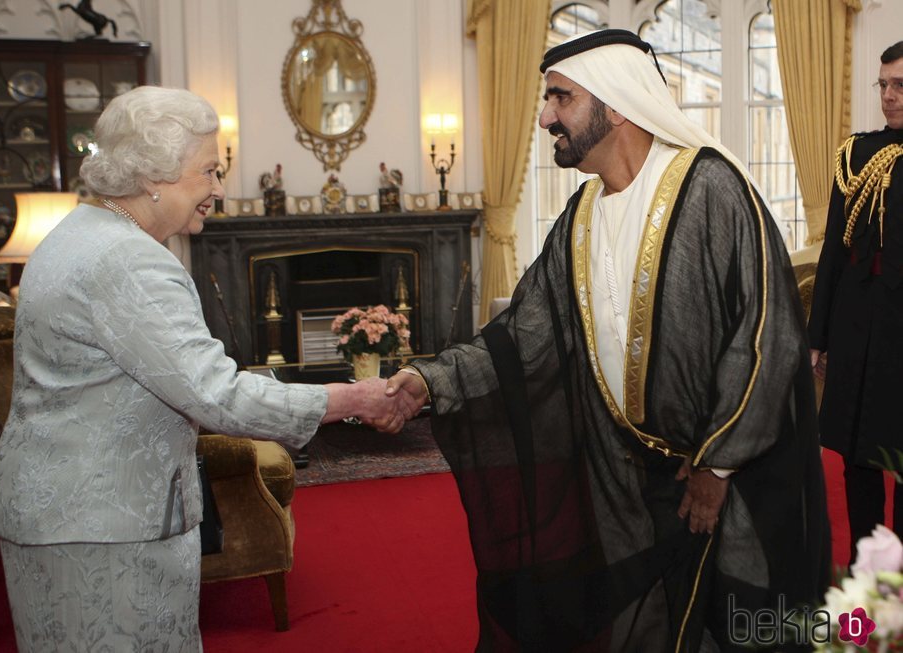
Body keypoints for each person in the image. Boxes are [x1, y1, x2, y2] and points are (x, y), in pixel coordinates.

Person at [387, 30, 830, 652]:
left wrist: (717, 463)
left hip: (729, 481)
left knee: (739, 626)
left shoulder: (712, 188)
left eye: (560, 98)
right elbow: (524, 334)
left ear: (615, 104)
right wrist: (430, 379)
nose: (545, 117)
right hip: (627, 481)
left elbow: (766, 338)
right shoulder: (581, 216)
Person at [0, 86, 417, 652]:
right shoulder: (130, 260)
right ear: (152, 176)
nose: (218, 188)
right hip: (106, 529)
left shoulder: (75, 234)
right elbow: (217, 395)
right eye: (209, 171)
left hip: (60, 514)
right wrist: (353, 398)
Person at [809, 41, 903, 559]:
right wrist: (818, 335)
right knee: (857, 453)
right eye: (883, 85)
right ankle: (866, 564)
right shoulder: (857, 153)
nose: (888, 96)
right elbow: (833, 251)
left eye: (900, 86)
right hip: (856, 324)